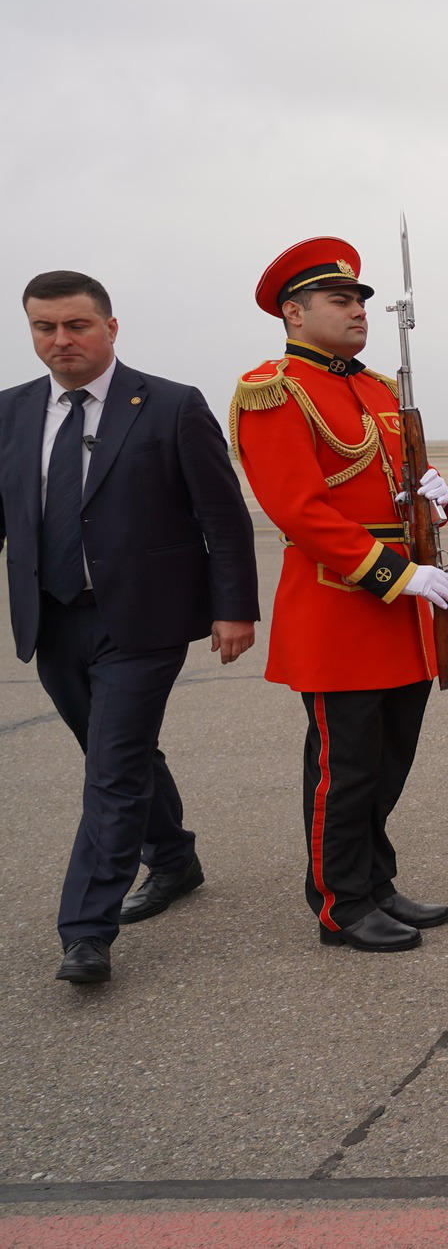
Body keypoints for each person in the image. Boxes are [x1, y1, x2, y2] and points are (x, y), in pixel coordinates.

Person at [4, 271, 260, 984]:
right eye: (44, 327)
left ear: (110, 327)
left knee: (111, 768)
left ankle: (86, 931)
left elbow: (222, 515)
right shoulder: (12, 411)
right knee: (117, 751)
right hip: (52, 619)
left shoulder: (170, 404)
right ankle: (174, 858)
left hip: (144, 620)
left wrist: (234, 606)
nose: (61, 340)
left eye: (76, 325)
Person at [230, 238, 448, 954]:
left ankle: (376, 881)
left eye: (359, 299)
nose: (358, 310)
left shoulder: (380, 389)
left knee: (389, 760)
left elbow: (404, 484)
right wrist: (395, 573)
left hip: (403, 611)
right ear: (294, 313)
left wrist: (436, 496)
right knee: (346, 768)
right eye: (340, 300)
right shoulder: (274, 390)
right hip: (341, 606)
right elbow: (299, 510)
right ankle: (341, 903)